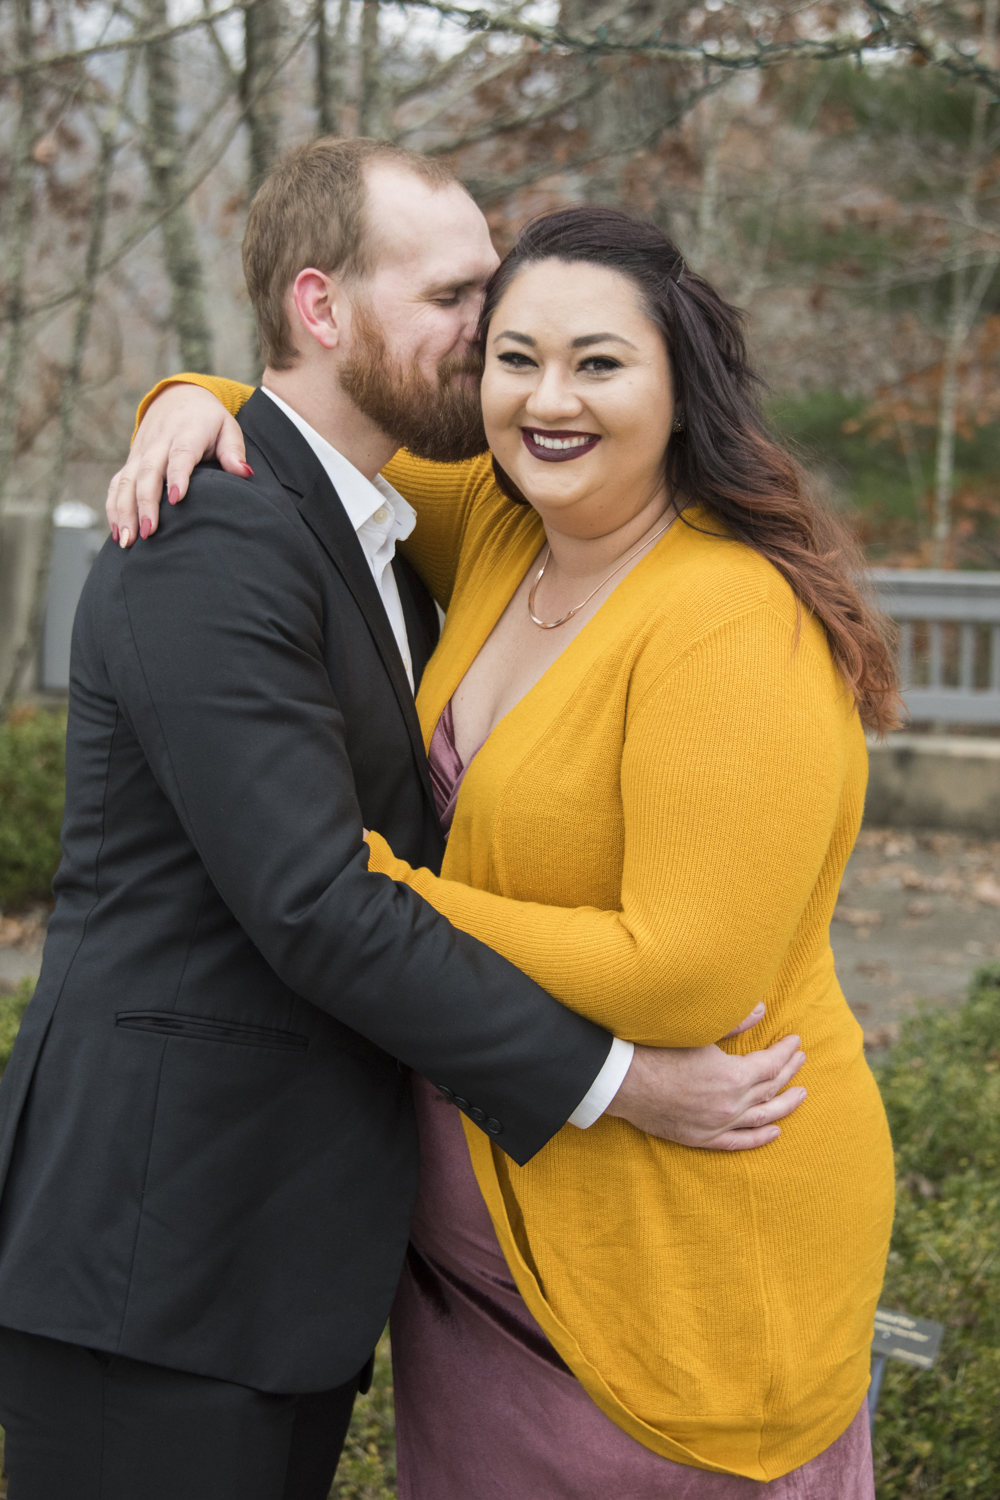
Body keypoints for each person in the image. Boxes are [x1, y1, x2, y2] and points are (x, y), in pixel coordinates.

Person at [0, 141, 807, 1500]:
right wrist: (622, 1082)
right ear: (323, 310)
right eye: (456, 297)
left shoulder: (374, 528)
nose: (489, 331)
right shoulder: (213, 528)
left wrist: (188, 394)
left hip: (272, 1266)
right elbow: (316, 899)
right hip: (156, 1260)